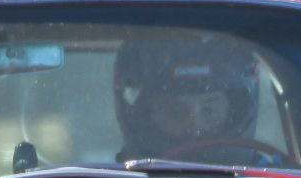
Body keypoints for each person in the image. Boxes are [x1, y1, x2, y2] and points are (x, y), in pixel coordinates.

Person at [112, 33, 276, 164]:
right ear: (143, 115)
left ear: (236, 111)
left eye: (209, 110)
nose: (195, 127)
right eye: (176, 112)